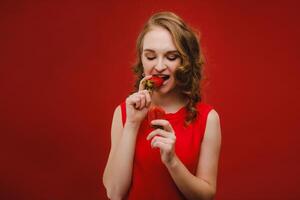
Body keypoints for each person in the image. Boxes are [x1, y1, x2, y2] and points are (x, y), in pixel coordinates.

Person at [103, 11, 221, 200]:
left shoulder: (208, 118)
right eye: (150, 57)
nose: (159, 66)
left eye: (171, 57)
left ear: (185, 61)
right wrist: (132, 124)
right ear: (142, 60)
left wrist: (172, 161)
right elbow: (114, 193)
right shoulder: (124, 113)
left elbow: (206, 196)